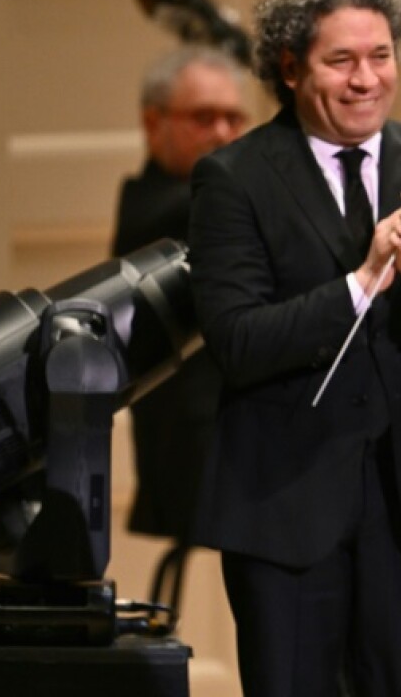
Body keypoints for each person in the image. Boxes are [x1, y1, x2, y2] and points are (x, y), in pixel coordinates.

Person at [185, 0, 401, 697]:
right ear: (290, 67)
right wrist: (362, 281)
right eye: (341, 61)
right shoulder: (234, 178)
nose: (366, 79)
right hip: (287, 506)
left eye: (381, 56)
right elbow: (237, 343)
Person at [111, 44, 248, 616]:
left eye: (233, 118)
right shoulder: (168, 206)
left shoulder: (178, 196)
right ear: (152, 124)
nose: (221, 131)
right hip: (201, 452)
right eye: (202, 117)